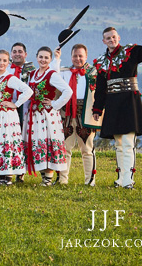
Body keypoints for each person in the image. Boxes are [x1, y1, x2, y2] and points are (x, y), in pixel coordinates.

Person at [92, 21, 142, 189]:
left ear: (118, 37)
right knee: (119, 144)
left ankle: (129, 180)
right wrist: (97, 109)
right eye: (108, 38)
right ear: (104, 41)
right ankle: (121, 179)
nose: (111, 40)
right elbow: (100, 88)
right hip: (113, 104)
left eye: (114, 37)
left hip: (130, 102)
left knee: (128, 142)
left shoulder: (131, 52)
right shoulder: (101, 63)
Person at [0, 37, 34, 183]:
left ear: (8, 63)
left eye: (5, 61)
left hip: (6, 115)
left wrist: (15, 104)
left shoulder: (10, 78)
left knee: (7, 141)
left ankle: (8, 175)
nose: (1, 63)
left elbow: (28, 91)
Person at [23, 47, 73, 186]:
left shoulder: (52, 74)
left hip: (47, 115)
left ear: (50, 60)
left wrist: (55, 104)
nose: (43, 60)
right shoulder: (32, 74)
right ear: (36, 57)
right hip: (34, 114)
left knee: (47, 142)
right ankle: (44, 176)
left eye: (46, 58)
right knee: (38, 143)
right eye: (41, 57)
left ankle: (48, 179)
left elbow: (68, 91)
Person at [51, 44, 98, 186]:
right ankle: (62, 179)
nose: (77, 59)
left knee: (87, 148)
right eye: (75, 56)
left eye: (80, 56)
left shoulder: (93, 73)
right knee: (65, 147)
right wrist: (57, 59)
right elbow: (52, 76)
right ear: (71, 56)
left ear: (86, 57)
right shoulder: (64, 72)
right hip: (66, 113)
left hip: (85, 113)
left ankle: (90, 180)